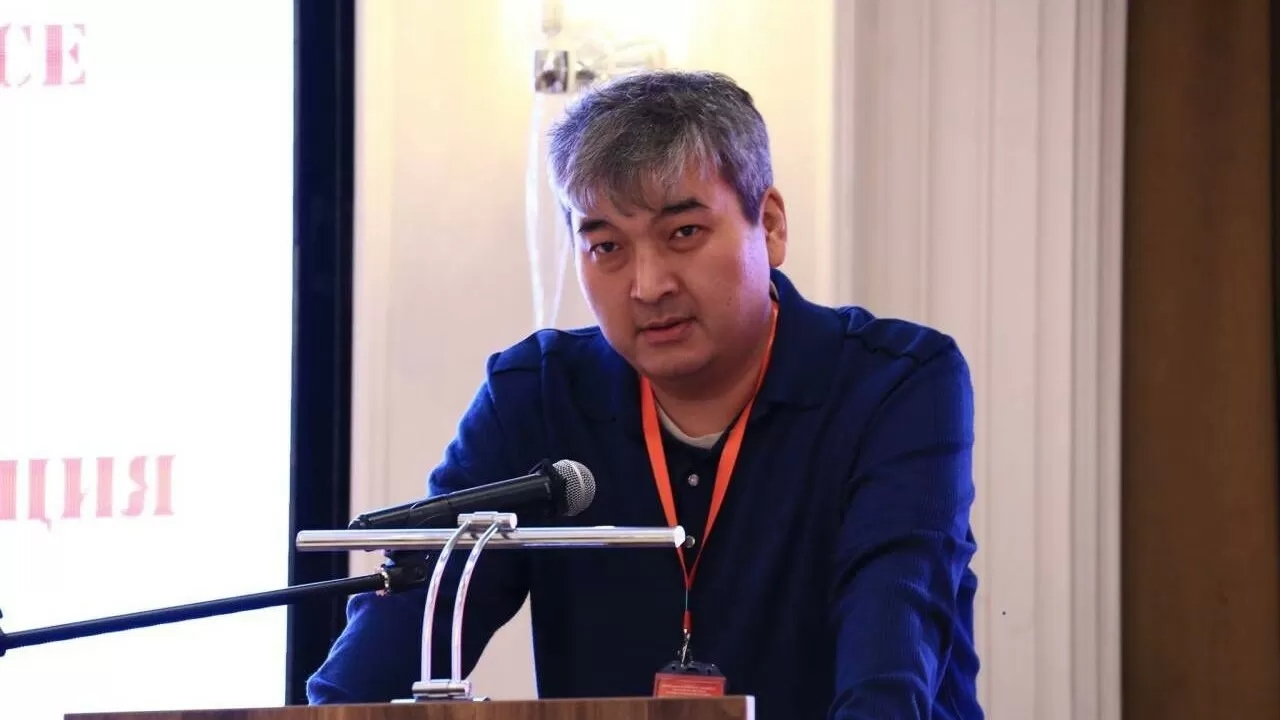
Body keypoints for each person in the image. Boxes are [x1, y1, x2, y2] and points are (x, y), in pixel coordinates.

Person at [307, 69, 983, 720]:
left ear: (771, 225)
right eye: (607, 246)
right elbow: (385, 655)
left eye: (683, 233)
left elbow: (889, 662)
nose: (648, 285)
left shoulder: (894, 385)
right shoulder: (535, 396)